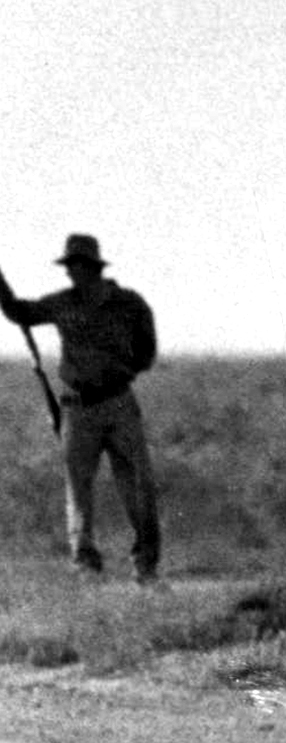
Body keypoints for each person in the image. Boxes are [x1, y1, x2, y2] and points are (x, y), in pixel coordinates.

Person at [1, 233, 162, 579]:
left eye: (78, 265)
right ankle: (86, 565)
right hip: (77, 408)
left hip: (119, 403)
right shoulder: (62, 303)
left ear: (93, 267)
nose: (72, 272)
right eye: (69, 266)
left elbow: (147, 350)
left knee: (137, 486)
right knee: (78, 489)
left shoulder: (128, 304)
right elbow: (20, 313)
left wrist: (120, 373)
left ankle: (146, 567)